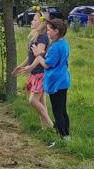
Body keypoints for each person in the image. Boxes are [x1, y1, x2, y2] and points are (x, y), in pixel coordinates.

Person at [26, 19, 71, 147]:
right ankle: (66, 136)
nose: (48, 32)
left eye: (49, 30)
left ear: (56, 31)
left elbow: (46, 64)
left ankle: (61, 138)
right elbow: (55, 57)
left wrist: (37, 55)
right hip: (63, 81)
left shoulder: (55, 47)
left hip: (56, 83)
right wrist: (44, 53)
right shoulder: (63, 43)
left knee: (57, 112)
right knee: (62, 111)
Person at [12, 13, 55, 129]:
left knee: (33, 100)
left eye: (34, 20)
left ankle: (52, 126)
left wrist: (31, 67)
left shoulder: (42, 37)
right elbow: (30, 55)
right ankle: (45, 128)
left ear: (41, 23)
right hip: (35, 73)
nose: (31, 21)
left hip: (40, 73)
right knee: (42, 103)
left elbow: (39, 55)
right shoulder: (37, 36)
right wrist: (20, 66)